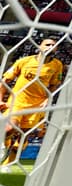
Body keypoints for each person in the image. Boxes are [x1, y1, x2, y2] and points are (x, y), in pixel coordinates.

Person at [0, 38, 64, 172]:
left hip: (36, 106)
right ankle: (2, 145)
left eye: (54, 45)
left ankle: (6, 164)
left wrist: (48, 99)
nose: (51, 47)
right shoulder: (24, 61)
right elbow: (5, 81)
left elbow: (54, 85)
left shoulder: (57, 65)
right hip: (17, 102)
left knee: (22, 138)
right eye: (48, 44)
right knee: (9, 128)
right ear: (39, 46)